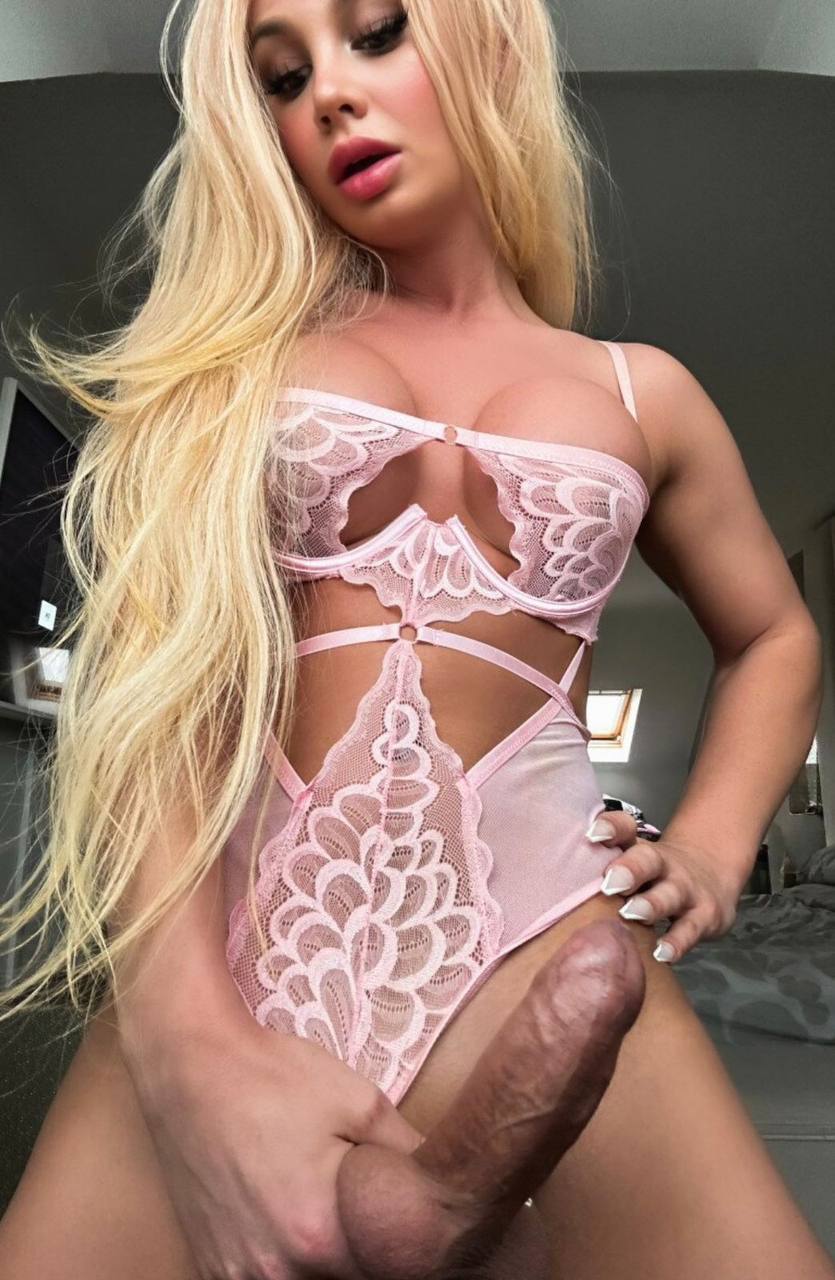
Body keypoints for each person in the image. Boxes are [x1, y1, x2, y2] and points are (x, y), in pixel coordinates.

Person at [0, 0, 831, 1277]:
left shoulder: (641, 389)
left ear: (489, 40)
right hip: (236, 940)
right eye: (283, 77)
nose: (329, 93)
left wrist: (716, 852)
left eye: (377, 32)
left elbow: (772, 631)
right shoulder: (236, 360)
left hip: (550, 929)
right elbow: (154, 680)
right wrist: (184, 1043)